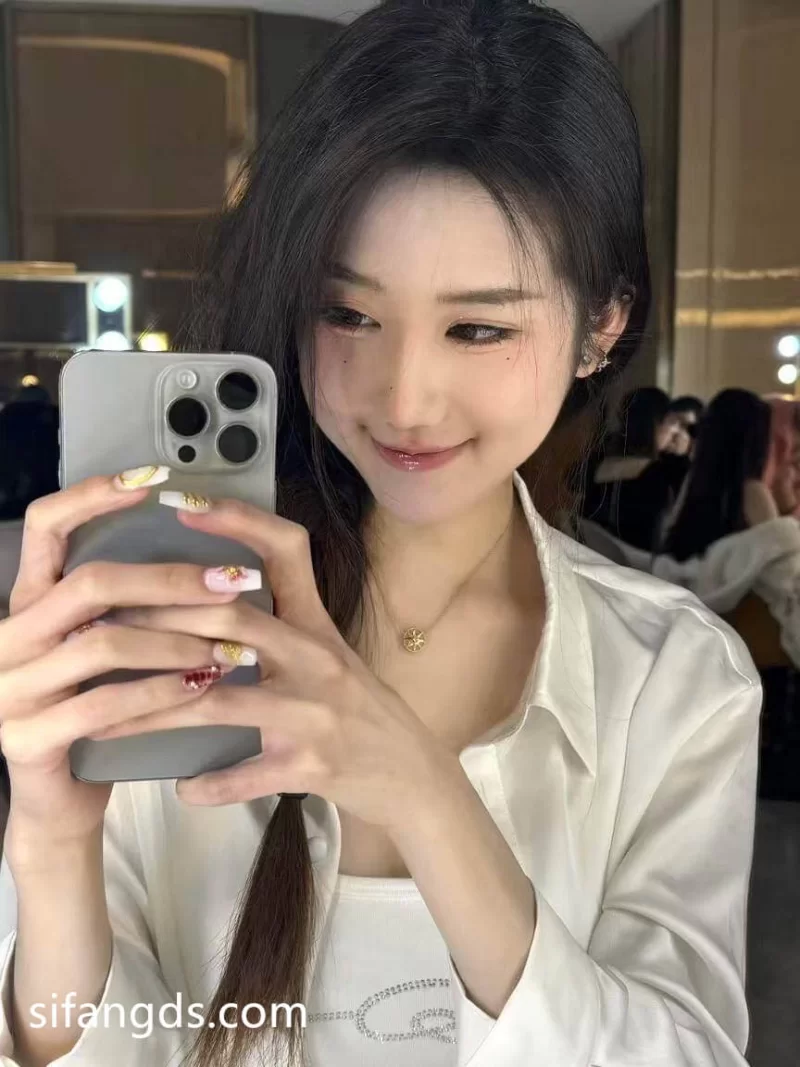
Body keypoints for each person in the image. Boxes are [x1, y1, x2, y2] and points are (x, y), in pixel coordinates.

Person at [0, 3, 760, 1067]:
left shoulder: (676, 681)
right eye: (347, 314)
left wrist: (421, 789)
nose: (403, 400)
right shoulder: (170, 618)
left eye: (478, 327)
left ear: (603, 326)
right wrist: (50, 836)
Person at [581, 386, 692, 550]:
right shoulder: (660, 473)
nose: (675, 431)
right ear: (653, 424)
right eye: (670, 422)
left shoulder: (595, 464)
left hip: (594, 554)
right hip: (639, 560)